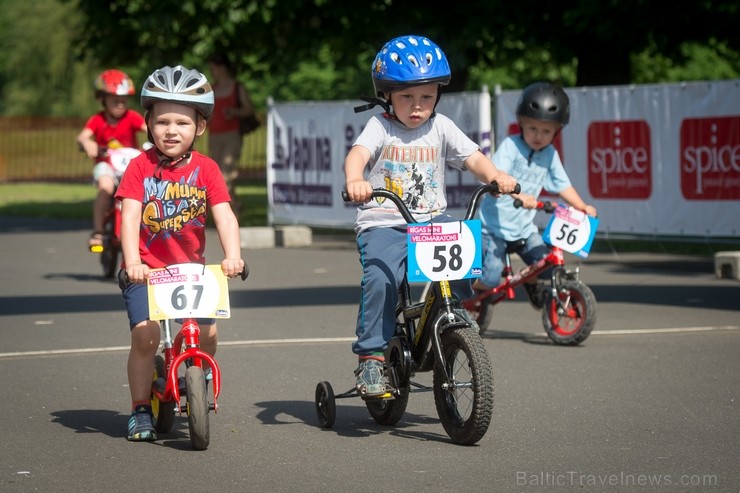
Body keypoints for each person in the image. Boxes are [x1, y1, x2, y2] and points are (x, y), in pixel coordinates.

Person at [344, 34, 518, 397]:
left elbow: (473, 158)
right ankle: (372, 359)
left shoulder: (441, 126)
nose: (417, 106)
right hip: (384, 221)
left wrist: (495, 176)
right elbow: (358, 154)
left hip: (429, 220)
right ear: (387, 95)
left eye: (427, 95)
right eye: (407, 97)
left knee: (467, 241)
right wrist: (355, 179)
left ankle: (451, 312)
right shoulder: (381, 127)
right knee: (381, 278)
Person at [116, 65, 245, 441]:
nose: (172, 131)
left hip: (191, 273)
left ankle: (198, 372)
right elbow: (128, 220)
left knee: (208, 331)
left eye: (183, 123)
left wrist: (232, 255)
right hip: (147, 269)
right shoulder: (140, 169)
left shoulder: (207, 169)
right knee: (145, 335)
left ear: (199, 127)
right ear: (148, 124)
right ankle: (140, 409)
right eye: (163, 122)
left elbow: (225, 216)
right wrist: (133, 263)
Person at [473, 81, 597, 307]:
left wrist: (582, 206)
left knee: (548, 265)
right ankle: (472, 300)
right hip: (493, 228)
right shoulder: (511, 145)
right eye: (532, 128)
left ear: (557, 130)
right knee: (490, 278)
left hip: (524, 229)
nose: (538, 135)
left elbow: (563, 185)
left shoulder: (549, 154)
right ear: (521, 123)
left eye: (546, 131)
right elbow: (498, 175)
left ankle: (530, 281)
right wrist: (519, 196)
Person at [76, 69, 147, 250]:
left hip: (130, 167)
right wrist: (87, 143)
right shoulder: (97, 120)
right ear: (102, 99)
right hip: (106, 165)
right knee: (106, 187)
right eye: (115, 100)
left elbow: (149, 129)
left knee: (146, 191)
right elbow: (83, 137)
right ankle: (98, 232)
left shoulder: (132, 117)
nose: (120, 104)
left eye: (123, 100)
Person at [207, 52, 257, 214]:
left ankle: (231, 211)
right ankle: (235, 206)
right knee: (216, 177)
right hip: (214, 136)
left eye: (214, 68)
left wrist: (234, 112)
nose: (212, 71)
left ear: (222, 68)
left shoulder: (237, 87)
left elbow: (249, 109)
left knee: (225, 176)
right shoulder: (211, 89)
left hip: (232, 135)